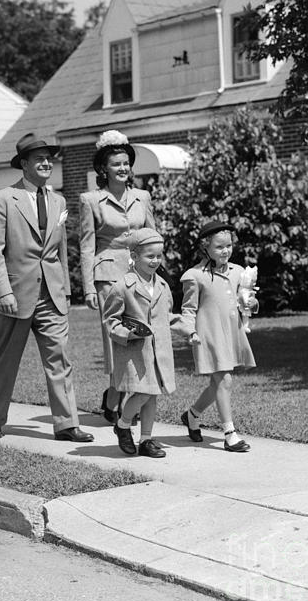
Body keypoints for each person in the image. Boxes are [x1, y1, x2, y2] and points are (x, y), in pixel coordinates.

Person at [0, 133, 94, 443]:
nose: (46, 163)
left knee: (60, 358)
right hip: (15, 295)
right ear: (24, 165)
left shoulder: (58, 200)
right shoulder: (3, 199)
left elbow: (60, 249)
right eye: (38, 159)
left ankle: (67, 424)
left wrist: (67, 291)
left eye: (49, 158)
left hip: (52, 295)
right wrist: (2, 291)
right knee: (6, 360)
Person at [79, 130, 156, 424]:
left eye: (126, 163)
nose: (123, 169)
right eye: (116, 164)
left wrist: (156, 274)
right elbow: (86, 246)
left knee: (141, 336)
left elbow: (151, 237)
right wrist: (87, 287)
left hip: (139, 275)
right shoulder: (91, 201)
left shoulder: (143, 197)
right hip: (108, 276)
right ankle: (117, 399)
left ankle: (118, 400)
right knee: (117, 340)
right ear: (103, 169)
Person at [178, 220, 257, 453]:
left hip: (231, 333)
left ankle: (192, 415)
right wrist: (189, 331)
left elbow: (247, 305)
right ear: (206, 248)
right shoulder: (195, 276)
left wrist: (252, 303)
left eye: (229, 246)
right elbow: (189, 309)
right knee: (224, 380)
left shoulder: (239, 272)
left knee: (217, 383)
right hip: (208, 334)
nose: (225, 250)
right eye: (219, 247)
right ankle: (229, 433)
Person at [101, 228, 176, 458]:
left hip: (158, 351)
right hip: (136, 352)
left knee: (153, 395)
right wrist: (128, 333)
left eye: (159, 256)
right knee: (143, 393)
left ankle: (146, 439)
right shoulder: (122, 287)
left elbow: (167, 316)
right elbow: (110, 321)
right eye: (150, 256)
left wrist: (188, 329)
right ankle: (123, 425)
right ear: (134, 256)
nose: (155, 261)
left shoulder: (162, 285)